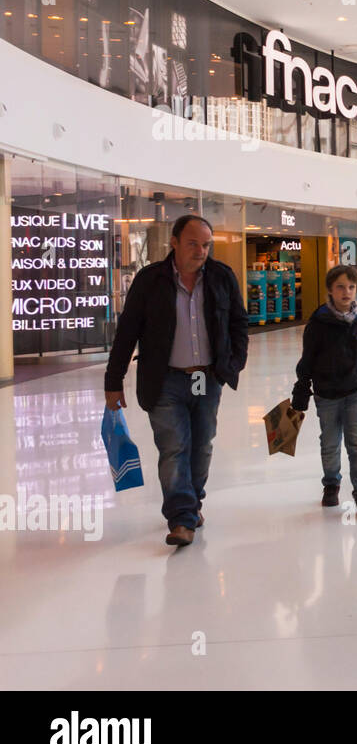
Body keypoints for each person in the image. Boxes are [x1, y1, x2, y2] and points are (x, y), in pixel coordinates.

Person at [105, 215, 249, 547]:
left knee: (202, 445)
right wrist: (113, 381)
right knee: (174, 447)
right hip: (166, 379)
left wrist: (233, 363)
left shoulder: (221, 277)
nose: (201, 251)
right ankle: (182, 517)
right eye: (193, 243)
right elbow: (127, 333)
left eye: (206, 244)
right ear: (174, 242)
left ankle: (191, 500)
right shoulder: (150, 280)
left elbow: (239, 323)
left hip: (207, 377)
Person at [291, 264, 357, 517]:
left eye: (351, 287)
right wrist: (301, 392)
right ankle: (331, 484)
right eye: (341, 286)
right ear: (330, 290)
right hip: (327, 394)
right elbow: (307, 359)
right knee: (330, 443)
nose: (347, 292)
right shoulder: (319, 322)